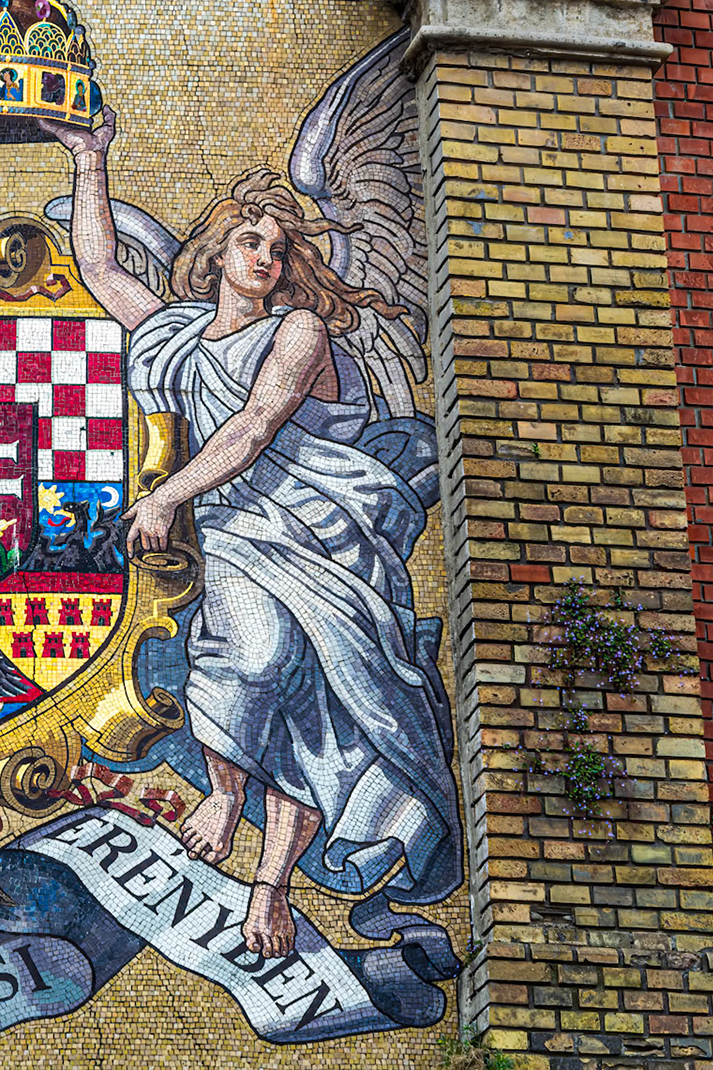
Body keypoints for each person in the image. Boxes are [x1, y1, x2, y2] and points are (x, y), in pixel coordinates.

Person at [38, 109, 460, 958]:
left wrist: (164, 497)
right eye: (249, 243)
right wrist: (90, 157)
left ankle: (270, 881)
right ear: (219, 252)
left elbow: (255, 427)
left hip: (323, 531)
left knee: (316, 699)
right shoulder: (180, 336)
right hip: (234, 530)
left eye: (277, 248)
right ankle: (229, 800)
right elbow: (100, 265)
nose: (264, 259)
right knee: (254, 658)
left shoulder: (300, 330)